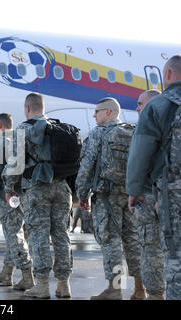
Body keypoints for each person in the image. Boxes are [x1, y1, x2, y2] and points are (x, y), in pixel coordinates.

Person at [2, 93, 73, 299]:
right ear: (43, 107)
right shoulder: (58, 127)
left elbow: (15, 162)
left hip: (36, 189)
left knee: (39, 234)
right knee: (61, 234)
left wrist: (9, 188)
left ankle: (42, 285)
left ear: (27, 108)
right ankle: (63, 284)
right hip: (61, 188)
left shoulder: (23, 129)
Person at [76, 97, 145, 300]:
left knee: (110, 240)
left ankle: (115, 289)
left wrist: (81, 194)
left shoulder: (98, 134)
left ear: (108, 112)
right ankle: (140, 289)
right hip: (131, 195)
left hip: (106, 196)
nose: (94, 115)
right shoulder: (132, 132)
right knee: (133, 240)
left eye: (97, 111)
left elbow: (86, 167)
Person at [127, 55, 181, 300]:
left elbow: (141, 152)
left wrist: (134, 189)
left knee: (174, 257)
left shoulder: (158, 105)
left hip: (173, 192)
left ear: (168, 75)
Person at [0, 113, 34, 290]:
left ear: (0, 126)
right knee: (16, 233)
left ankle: (27, 275)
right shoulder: (23, 139)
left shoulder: (2, 142)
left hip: (9, 195)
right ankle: (6, 272)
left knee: (13, 234)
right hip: (26, 194)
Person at [129, 89, 165, 300]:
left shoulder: (146, 127)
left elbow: (138, 161)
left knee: (150, 248)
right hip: (171, 194)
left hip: (149, 195)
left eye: (141, 103)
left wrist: (133, 191)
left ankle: (156, 295)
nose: (137, 108)